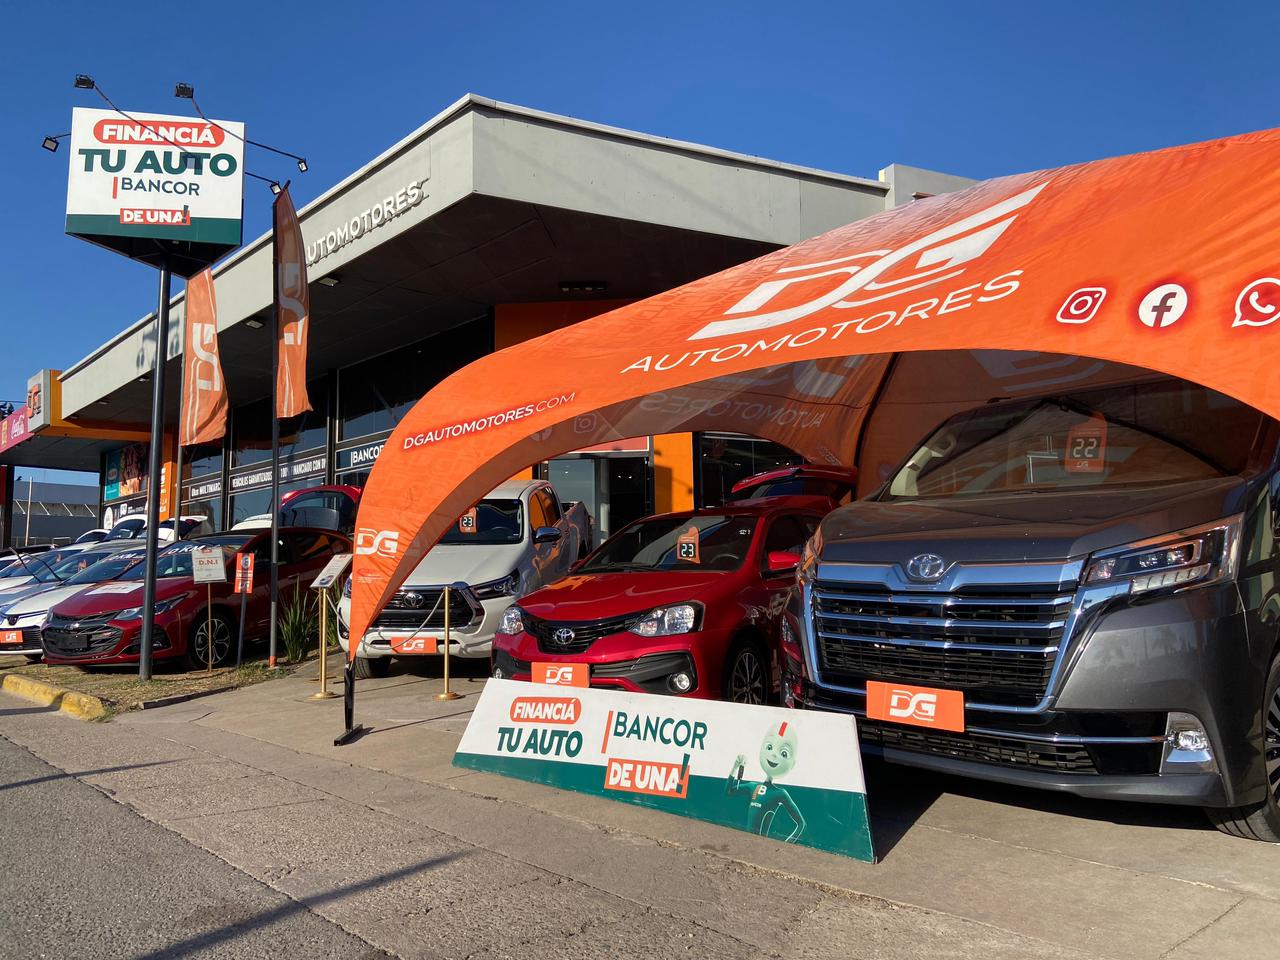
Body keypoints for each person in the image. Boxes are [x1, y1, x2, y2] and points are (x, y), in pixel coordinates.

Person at [725, 721, 806, 842]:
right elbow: (729, 791)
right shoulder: (752, 786)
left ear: (792, 764)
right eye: (769, 747)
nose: (773, 755)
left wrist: (785, 845)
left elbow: (801, 824)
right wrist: (735, 767)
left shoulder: (780, 793)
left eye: (784, 753)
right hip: (746, 843)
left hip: (761, 846)